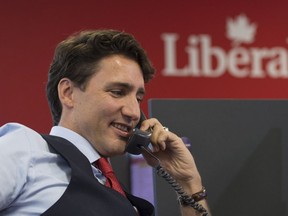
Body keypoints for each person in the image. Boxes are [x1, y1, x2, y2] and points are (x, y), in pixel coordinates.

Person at [0, 29, 211, 216]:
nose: (134, 112)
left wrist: (188, 183)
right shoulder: (26, 150)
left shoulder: (123, 197)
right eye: (117, 92)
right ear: (68, 93)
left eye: (138, 98)